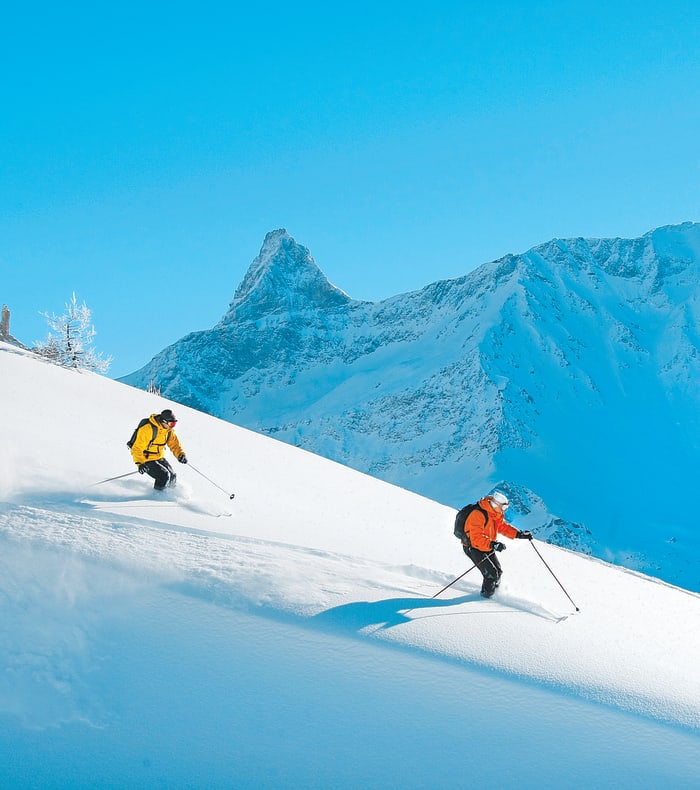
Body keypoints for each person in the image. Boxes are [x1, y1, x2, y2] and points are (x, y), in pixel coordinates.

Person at [461, 491, 532, 598]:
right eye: (503, 508)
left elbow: (502, 527)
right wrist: (492, 544)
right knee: (491, 575)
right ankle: (485, 599)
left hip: (487, 546)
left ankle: (495, 595)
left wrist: (519, 534)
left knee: (498, 572)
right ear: (496, 504)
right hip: (473, 548)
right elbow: (476, 538)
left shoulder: (494, 513)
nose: (504, 511)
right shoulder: (478, 514)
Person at [129, 408, 188, 490]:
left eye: (174, 424)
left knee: (172, 475)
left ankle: (171, 495)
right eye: (172, 424)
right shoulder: (147, 429)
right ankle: (157, 496)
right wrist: (140, 463)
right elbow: (137, 448)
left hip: (159, 457)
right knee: (164, 476)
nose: (172, 426)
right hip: (146, 459)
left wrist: (180, 455)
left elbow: (174, 444)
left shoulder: (168, 431)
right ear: (164, 421)